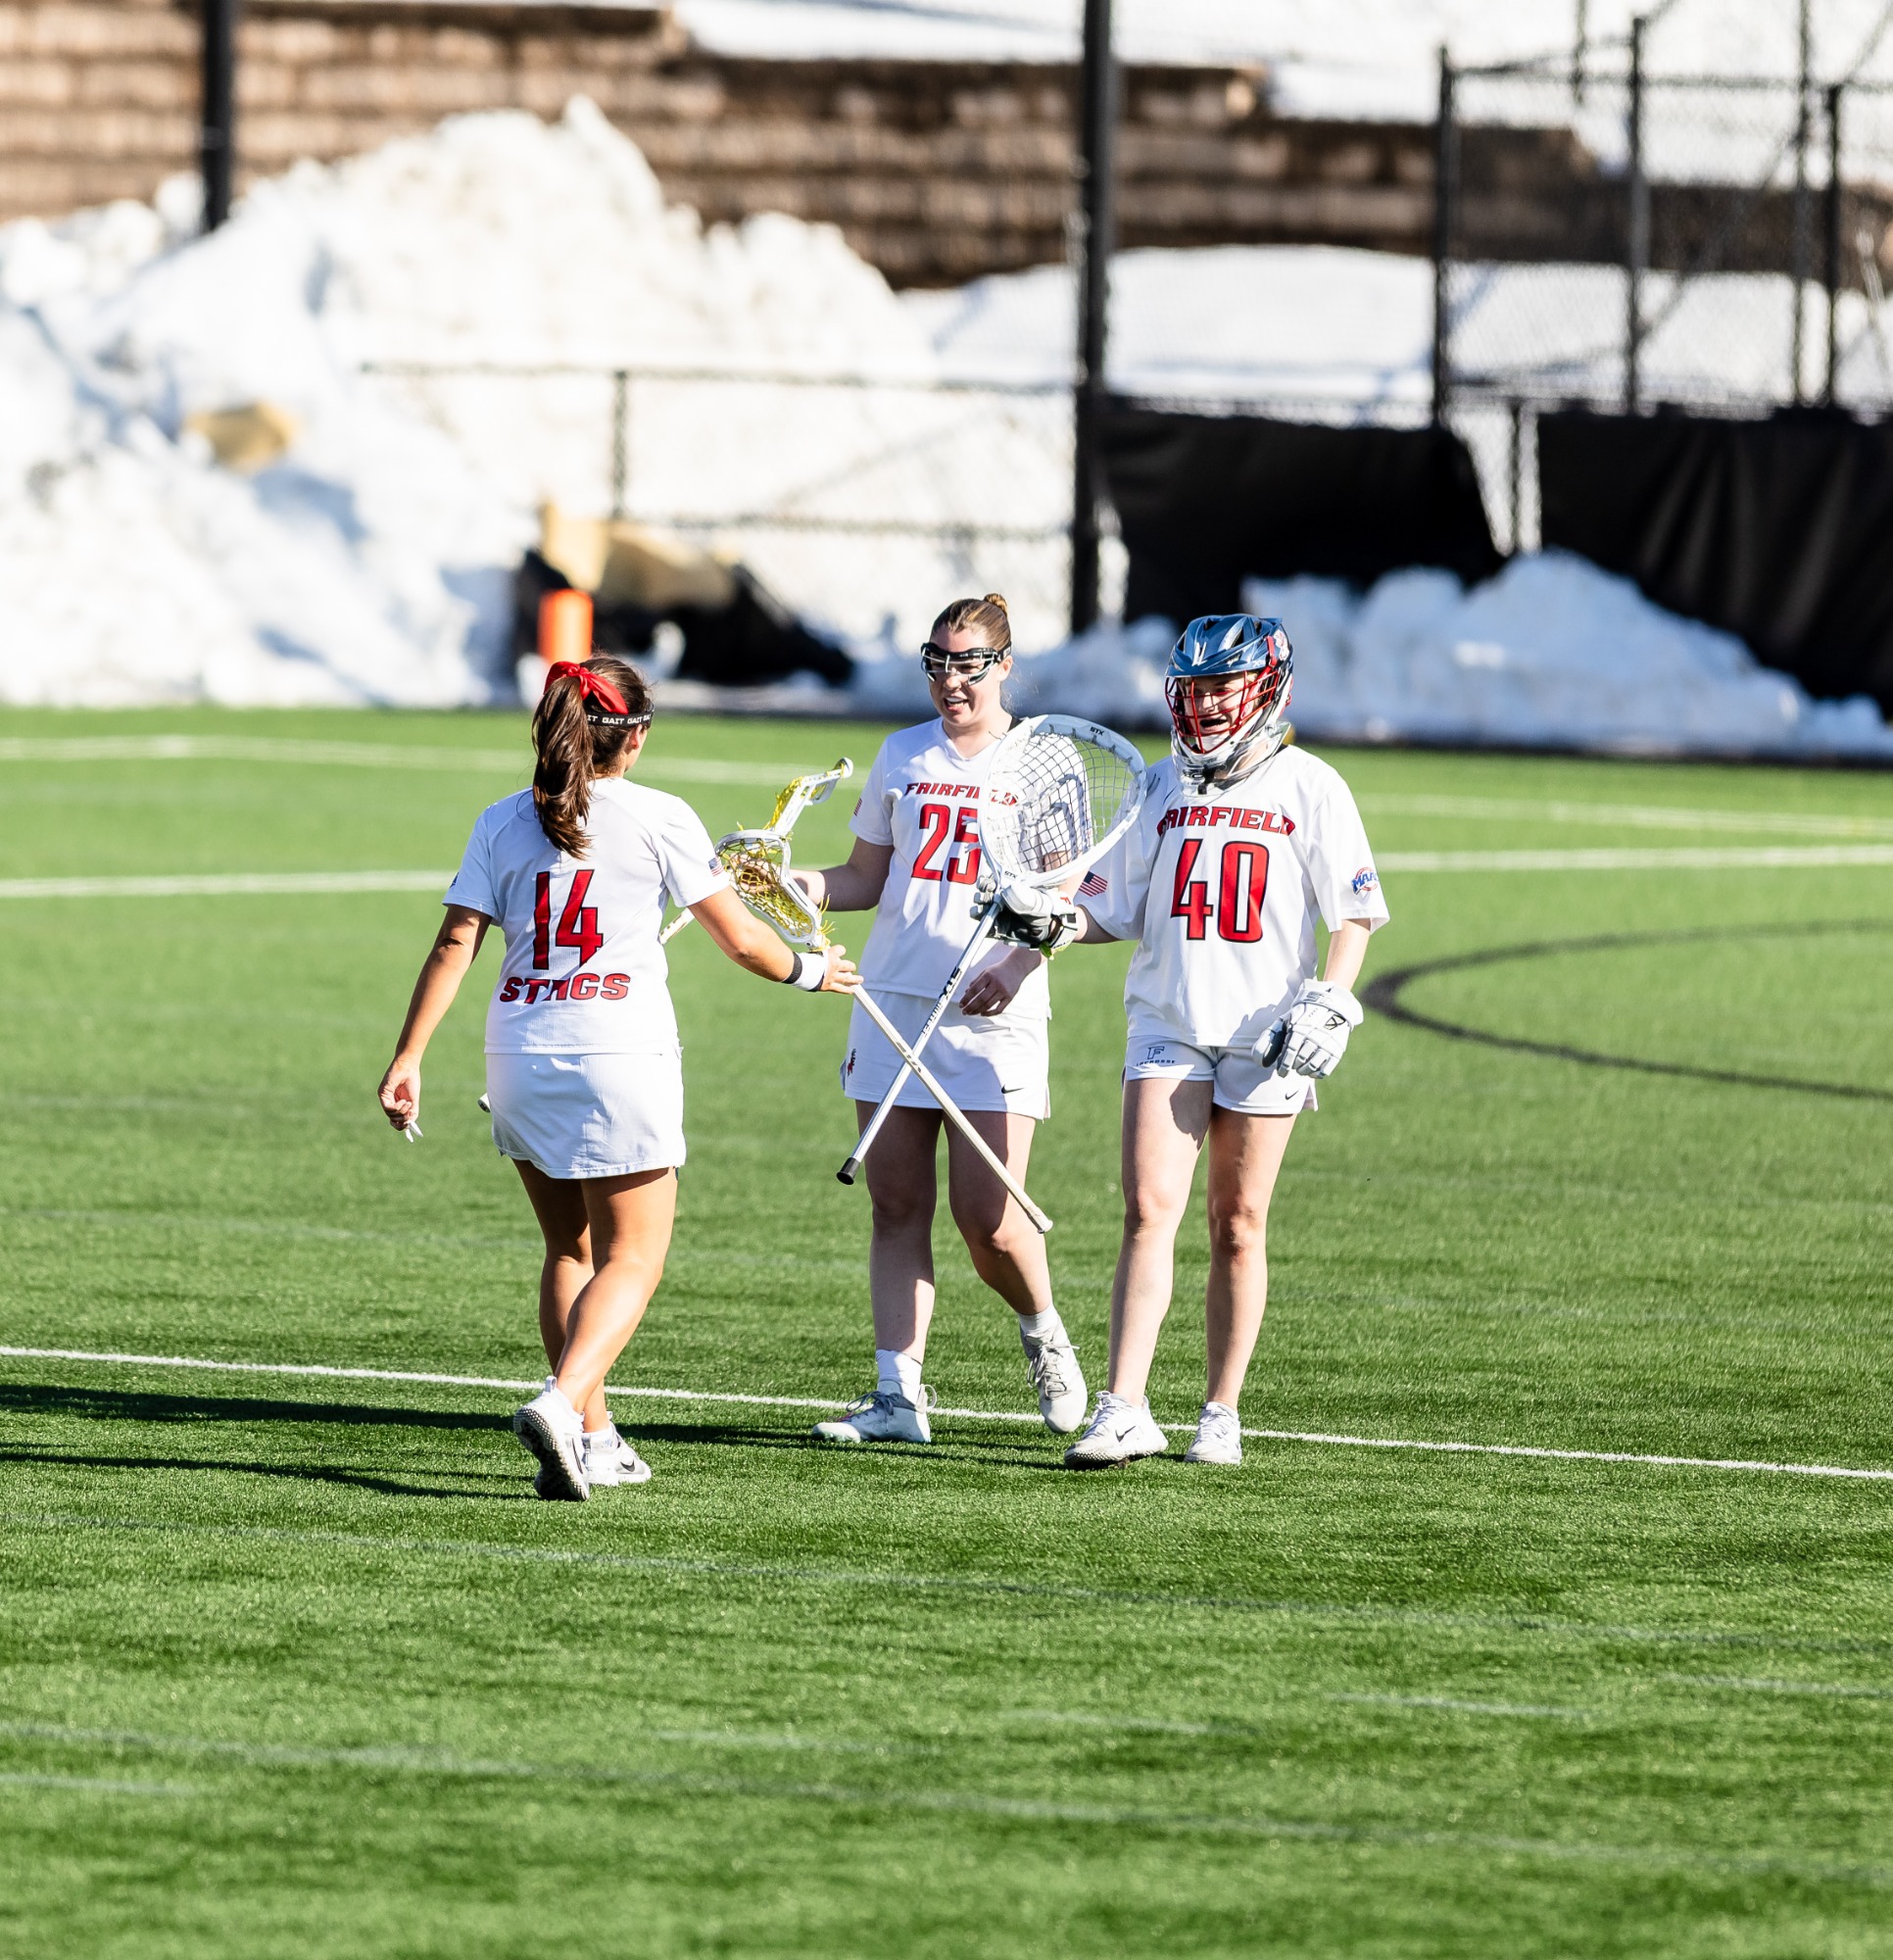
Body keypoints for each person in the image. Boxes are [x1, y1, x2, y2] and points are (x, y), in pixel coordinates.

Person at [377, 656, 856, 1500]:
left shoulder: (501, 820)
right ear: (632, 737)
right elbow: (742, 940)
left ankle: (595, 1438)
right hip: (617, 1054)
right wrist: (814, 973)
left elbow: (456, 944)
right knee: (635, 1256)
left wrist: (409, 1055)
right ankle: (565, 1404)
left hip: (518, 1051)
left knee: (570, 1247)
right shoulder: (660, 815)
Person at [998, 613, 1388, 1470]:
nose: (1205, 704)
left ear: (1266, 688)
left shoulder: (1311, 785)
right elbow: (1109, 907)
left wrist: (1332, 999)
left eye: (1223, 687)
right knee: (1146, 1211)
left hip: (1266, 1034)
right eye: (1194, 687)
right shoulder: (1161, 787)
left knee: (1238, 1225)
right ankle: (1124, 1406)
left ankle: (1220, 1410)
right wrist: (1049, 922)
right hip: (1167, 1023)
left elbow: (1354, 911)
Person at [791, 594, 1087, 1446]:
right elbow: (865, 878)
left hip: (993, 1017)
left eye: (968, 663)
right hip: (891, 1005)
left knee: (989, 1218)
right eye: (938, 661)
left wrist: (1019, 962)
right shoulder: (902, 755)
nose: (951, 680)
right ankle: (897, 1396)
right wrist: (798, 885)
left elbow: (1065, 900)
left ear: (1003, 666)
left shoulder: (1045, 762)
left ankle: (1045, 1335)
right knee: (895, 1203)